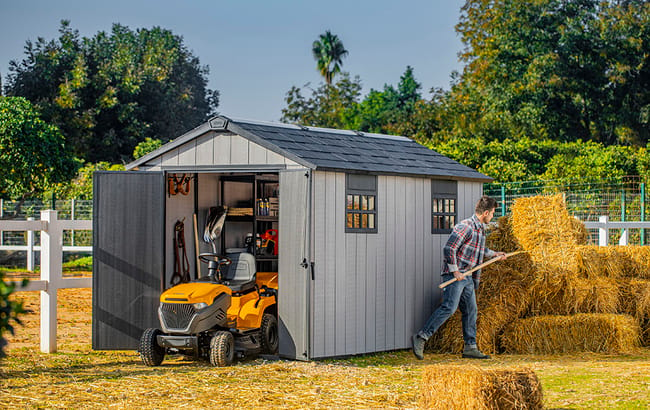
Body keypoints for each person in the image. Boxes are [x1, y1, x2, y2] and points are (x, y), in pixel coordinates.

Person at [412, 196, 507, 360]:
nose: (492, 216)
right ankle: (421, 337)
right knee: (449, 307)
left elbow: (479, 251)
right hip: (455, 275)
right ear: (485, 213)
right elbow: (449, 248)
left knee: (471, 310)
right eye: (492, 213)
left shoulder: (480, 229)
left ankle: (470, 347)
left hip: (467, 276)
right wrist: (455, 271)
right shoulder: (466, 227)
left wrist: (495, 255)